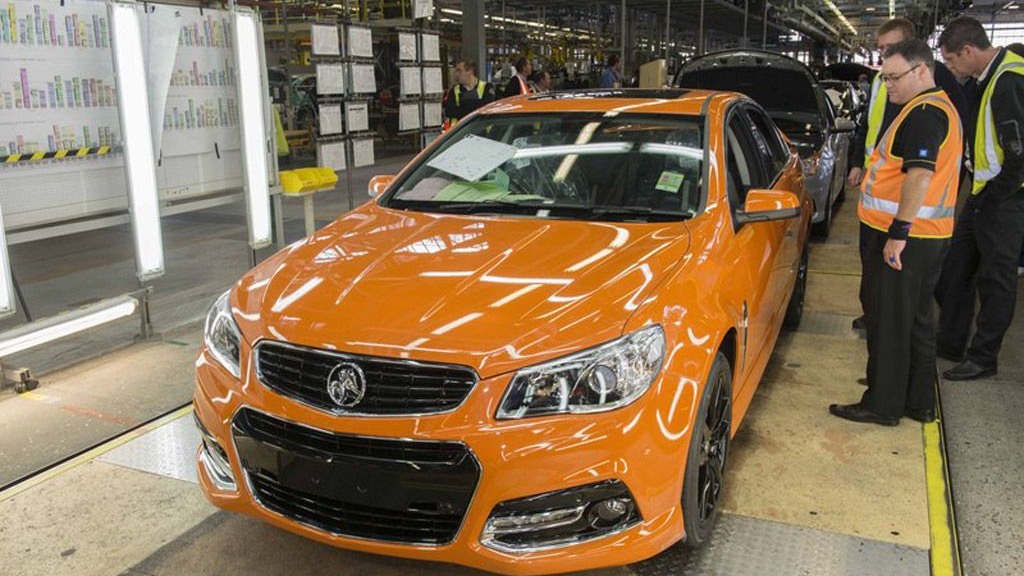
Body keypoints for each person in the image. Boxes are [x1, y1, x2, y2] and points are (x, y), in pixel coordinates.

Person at [830, 39, 963, 426]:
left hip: (908, 237)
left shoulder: (923, 113)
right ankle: (918, 400)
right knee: (916, 318)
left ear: (922, 70)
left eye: (893, 77)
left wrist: (898, 233)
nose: (888, 86)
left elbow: (919, 177)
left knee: (888, 320)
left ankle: (882, 403)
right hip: (928, 235)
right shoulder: (933, 107)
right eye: (884, 78)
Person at [847, 18, 969, 332]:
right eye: (880, 49)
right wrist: (859, 159)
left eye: (891, 48)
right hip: (882, 209)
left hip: (910, 221)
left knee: (907, 318)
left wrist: (901, 229)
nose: (883, 55)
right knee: (884, 299)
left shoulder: (929, 102)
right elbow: (868, 125)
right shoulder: (884, 81)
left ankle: (895, 374)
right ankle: (874, 319)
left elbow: (925, 169)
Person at [935, 17, 1024, 380]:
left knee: (996, 279)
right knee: (955, 267)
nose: (951, 68)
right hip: (982, 192)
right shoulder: (986, 78)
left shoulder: (1009, 81)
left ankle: (983, 357)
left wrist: (994, 195)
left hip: (1005, 197)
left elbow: (1018, 155)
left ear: (969, 51)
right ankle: (951, 342)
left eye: (952, 60)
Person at [441, 59, 496, 131]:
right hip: (459, 133)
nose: (456, 74)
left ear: (469, 71)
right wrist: (476, 106)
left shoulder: (487, 87)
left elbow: (488, 108)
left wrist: (462, 106)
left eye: (459, 70)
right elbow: (449, 111)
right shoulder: (454, 90)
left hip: (482, 133)